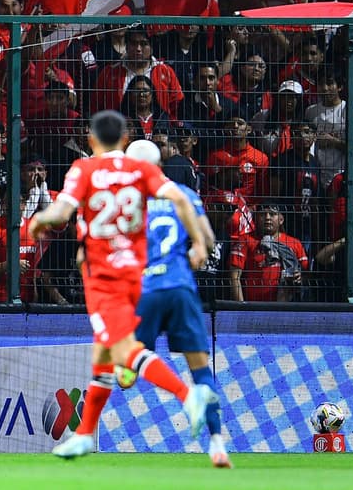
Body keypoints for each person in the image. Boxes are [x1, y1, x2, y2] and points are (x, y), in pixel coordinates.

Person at [28, 111, 215, 459]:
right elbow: (179, 200)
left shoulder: (84, 169)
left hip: (104, 277)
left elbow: (61, 213)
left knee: (123, 350)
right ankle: (85, 434)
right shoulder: (141, 170)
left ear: (91, 139)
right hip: (136, 275)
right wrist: (200, 244)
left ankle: (187, 395)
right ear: (125, 139)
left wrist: (38, 220)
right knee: (103, 355)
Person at [124, 140, 230, 468]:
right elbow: (208, 241)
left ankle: (133, 369)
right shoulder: (183, 194)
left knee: (129, 361)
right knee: (201, 370)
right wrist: (196, 249)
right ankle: (217, 444)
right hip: (181, 287)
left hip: (147, 290)